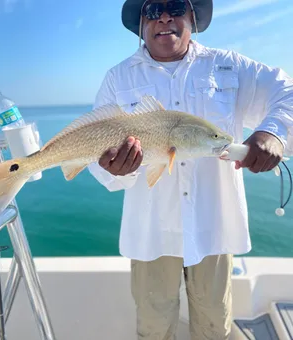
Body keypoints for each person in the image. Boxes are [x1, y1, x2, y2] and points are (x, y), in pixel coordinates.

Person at [88, 0, 293, 339]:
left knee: (215, 327)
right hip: (150, 231)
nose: (164, 17)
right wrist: (115, 169)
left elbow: (287, 92)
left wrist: (273, 131)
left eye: (174, 6)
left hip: (213, 227)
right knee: (153, 330)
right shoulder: (118, 78)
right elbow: (100, 155)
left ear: (192, 17)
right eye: (153, 9)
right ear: (141, 23)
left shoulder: (229, 66)